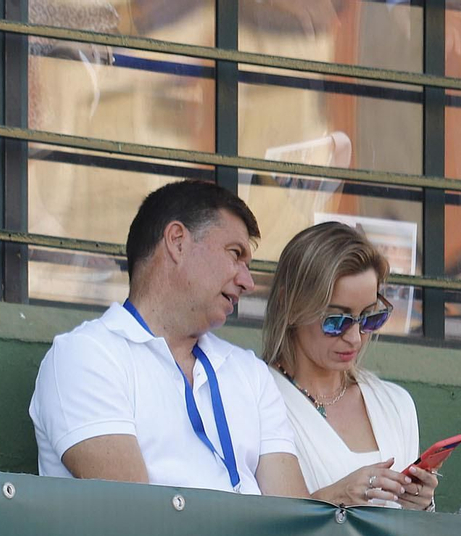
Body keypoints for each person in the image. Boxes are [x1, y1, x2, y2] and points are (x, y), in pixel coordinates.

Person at [29, 179, 306, 496]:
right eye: (235, 254)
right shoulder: (86, 355)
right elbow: (138, 515)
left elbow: (290, 516)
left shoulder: (249, 372)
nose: (247, 282)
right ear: (177, 241)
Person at [261, 222, 436, 510]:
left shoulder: (396, 405)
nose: (355, 337)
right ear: (290, 304)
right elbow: (265, 528)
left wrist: (420, 506)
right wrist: (336, 497)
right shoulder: (261, 396)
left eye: (370, 318)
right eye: (336, 321)